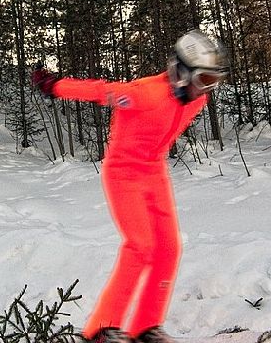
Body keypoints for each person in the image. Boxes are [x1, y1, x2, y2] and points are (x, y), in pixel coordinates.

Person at [27, 30, 227, 343]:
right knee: (140, 246)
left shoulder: (195, 100)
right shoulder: (144, 94)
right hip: (123, 174)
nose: (206, 91)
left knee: (168, 248)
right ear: (180, 73)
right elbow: (100, 91)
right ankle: (102, 330)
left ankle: (146, 327)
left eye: (213, 82)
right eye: (204, 80)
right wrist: (55, 86)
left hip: (154, 172)